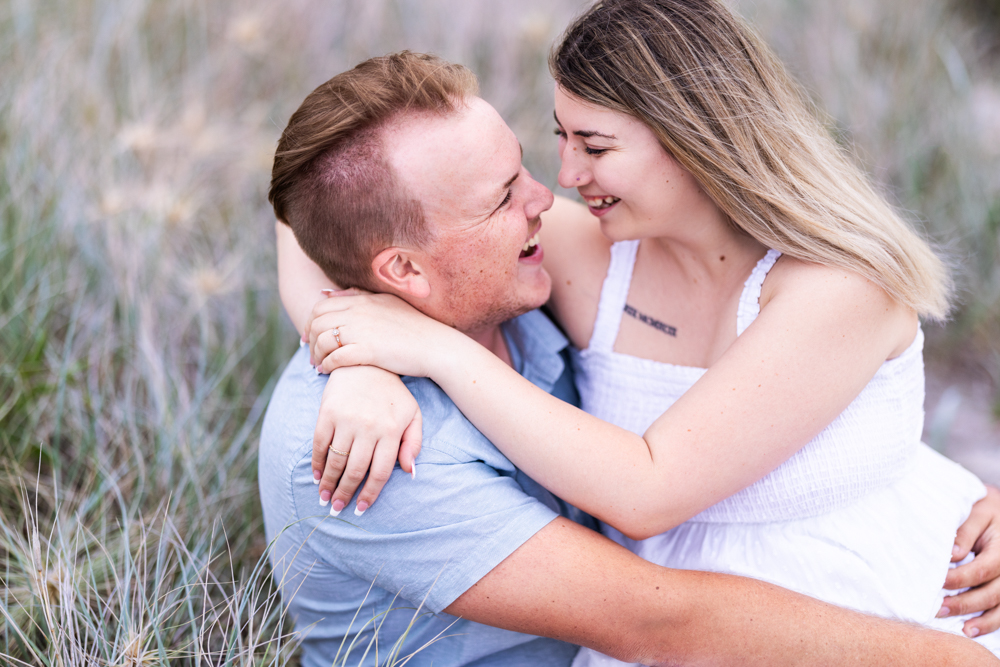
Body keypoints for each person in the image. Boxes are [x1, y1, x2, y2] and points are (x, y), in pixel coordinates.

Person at [285, 0, 1000, 661]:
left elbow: (647, 488)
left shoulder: (838, 289)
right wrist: (361, 366)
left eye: (595, 147)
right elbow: (315, 215)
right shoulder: (590, 252)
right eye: (560, 137)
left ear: (695, 139)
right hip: (671, 624)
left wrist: (427, 348)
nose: (564, 175)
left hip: (878, 618)